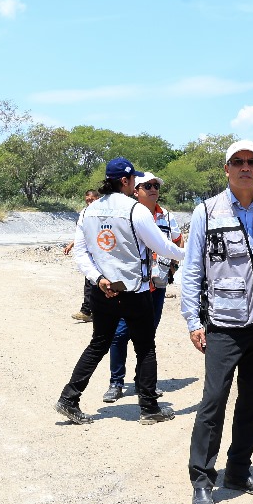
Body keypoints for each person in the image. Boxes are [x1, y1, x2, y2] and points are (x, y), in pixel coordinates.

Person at [181, 141, 253, 504]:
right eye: (238, 162)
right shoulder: (207, 211)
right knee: (213, 402)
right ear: (226, 169)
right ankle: (202, 479)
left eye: (252, 162)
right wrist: (193, 321)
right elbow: (193, 269)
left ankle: (239, 471)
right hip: (224, 324)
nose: (246, 167)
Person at [56, 158, 185, 425]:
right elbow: (162, 247)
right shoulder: (136, 211)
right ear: (126, 181)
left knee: (99, 343)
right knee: (145, 347)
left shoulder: (88, 212)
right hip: (135, 291)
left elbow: (81, 252)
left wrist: (98, 278)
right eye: (135, 181)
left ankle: (69, 398)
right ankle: (149, 408)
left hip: (103, 290)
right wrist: (191, 255)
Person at [103, 172, 183, 402]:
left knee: (147, 335)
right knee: (119, 335)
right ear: (135, 191)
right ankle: (116, 382)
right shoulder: (127, 213)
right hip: (131, 286)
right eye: (147, 185)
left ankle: (142, 381)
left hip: (156, 286)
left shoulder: (166, 216)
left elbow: (177, 239)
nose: (153, 189)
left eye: (156, 185)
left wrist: (174, 265)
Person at [65, 189, 100, 322]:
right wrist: (72, 244)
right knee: (90, 282)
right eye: (87, 200)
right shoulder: (85, 214)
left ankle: (89, 311)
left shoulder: (102, 214)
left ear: (98, 198)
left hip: (101, 254)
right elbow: (83, 234)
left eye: (92, 199)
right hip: (90, 255)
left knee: (94, 284)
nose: (89, 202)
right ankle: (87, 310)